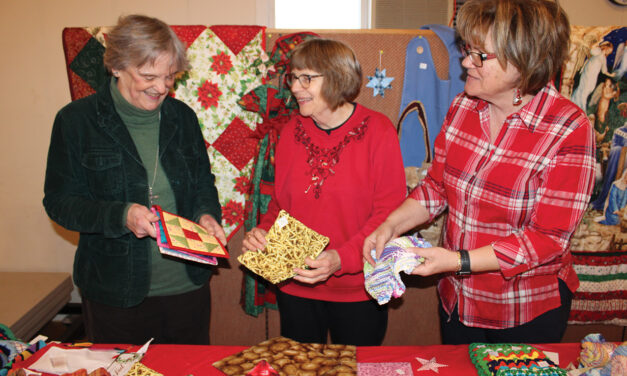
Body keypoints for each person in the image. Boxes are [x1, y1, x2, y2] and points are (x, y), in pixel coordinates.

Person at [363, 0, 596, 344]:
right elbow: (436, 188)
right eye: (467, 49)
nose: (465, 61)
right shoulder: (462, 108)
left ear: (525, 59)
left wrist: (458, 261)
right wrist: (390, 226)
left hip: (523, 309)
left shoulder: (568, 129)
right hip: (457, 302)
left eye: (480, 55)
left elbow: (546, 239)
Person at [43, 14, 225, 345]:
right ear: (116, 67)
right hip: (115, 293)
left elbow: (202, 183)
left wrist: (206, 215)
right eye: (148, 76)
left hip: (187, 287)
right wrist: (122, 215)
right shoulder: (76, 121)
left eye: (170, 77)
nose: (161, 87)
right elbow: (60, 204)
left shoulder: (182, 118)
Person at [241, 38, 406, 346]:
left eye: (308, 78)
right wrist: (263, 232)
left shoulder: (378, 130)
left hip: (358, 287)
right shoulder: (290, 131)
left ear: (338, 78)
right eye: (294, 77)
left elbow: (389, 216)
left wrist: (340, 259)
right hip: (296, 284)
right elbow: (280, 204)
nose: (295, 87)